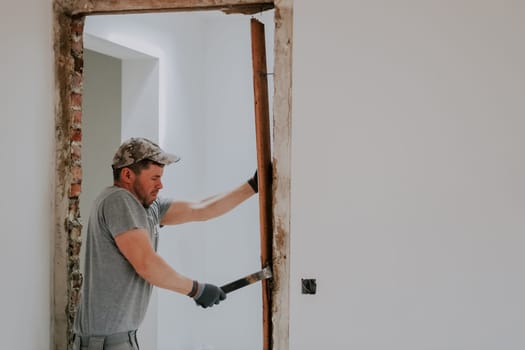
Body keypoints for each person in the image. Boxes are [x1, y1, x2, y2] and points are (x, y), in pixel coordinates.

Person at [72, 137, 258, 350]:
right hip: (104, 343)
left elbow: (201, 208)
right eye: (154, 178)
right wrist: (196, 290)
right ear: (127, 175)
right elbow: (146, 263)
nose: (160, 185)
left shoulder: (148, 207)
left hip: (121, 339)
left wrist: (252, 186)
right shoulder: (118, 200)